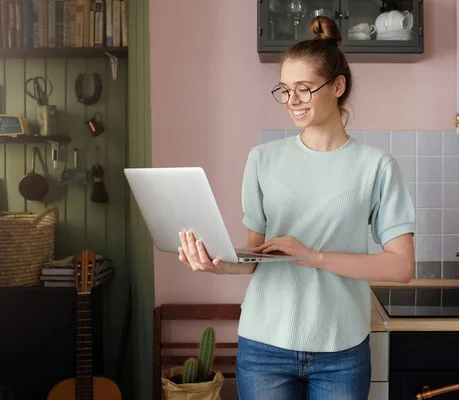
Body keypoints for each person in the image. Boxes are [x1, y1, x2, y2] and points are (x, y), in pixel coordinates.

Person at [178, 15, 415, 400]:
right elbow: (257, 256)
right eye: (284, 90)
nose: (292, 101)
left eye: (304, 89)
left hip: (341, 349)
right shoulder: (262, 159)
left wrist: (315, 256)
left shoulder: (376, 166)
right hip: (263, 346)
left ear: (338, 86)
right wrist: (218, 263)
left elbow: (401, 266)